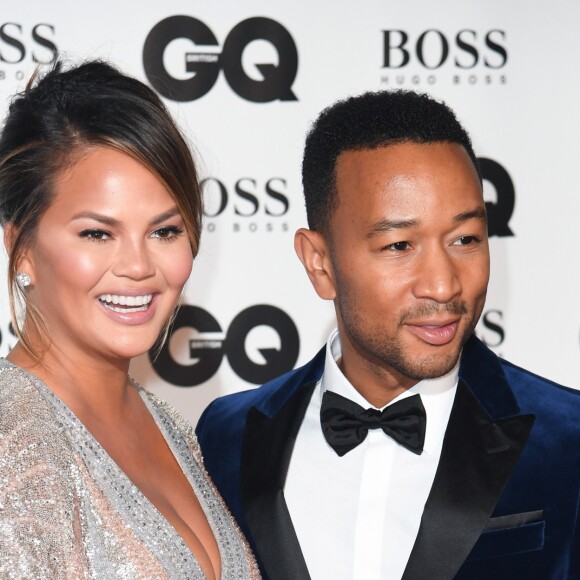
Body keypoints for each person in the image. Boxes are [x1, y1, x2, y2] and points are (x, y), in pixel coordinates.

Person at [196, 90, 580, 579]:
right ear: (320, 263)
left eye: (466, 239)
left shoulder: (569, 441)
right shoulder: (226, 435)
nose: (443, 284)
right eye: (399, 245)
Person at [0, 60, 260, 579]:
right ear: (21, 246)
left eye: (164, 231)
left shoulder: (170, 428)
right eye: (98, 233)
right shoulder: (13, 446)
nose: (140, 267)